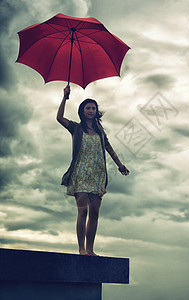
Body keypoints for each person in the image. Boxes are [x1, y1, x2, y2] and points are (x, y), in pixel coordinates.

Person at [57, 85, 130, 256]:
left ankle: (90, 249)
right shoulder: (76, 128)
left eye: (93, 108)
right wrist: (64, 98)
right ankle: (81, 249)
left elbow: (109, 148)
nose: (90, 110)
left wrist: (120, 165)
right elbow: (59, 118)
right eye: (87, 108)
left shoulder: (100, 131)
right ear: (82, 111)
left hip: (97, 175)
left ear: (96, 111)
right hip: (80, 172)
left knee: (95, 214)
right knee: (83, 211)